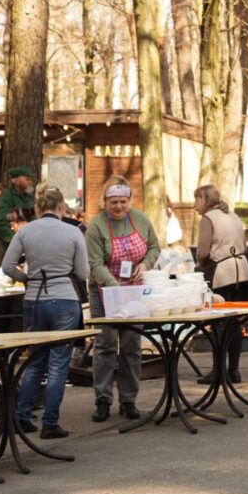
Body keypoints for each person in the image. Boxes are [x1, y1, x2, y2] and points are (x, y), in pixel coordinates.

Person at [1, 185, 88, 439]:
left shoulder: (25, 231)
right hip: (64, 299)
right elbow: (82, 273)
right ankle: (50, 423)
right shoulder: (72, 232)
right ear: (61, 207)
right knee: (59, 364)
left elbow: (7, 266)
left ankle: (22, 416)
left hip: (34, 299)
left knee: (35, 361)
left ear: (38, 208)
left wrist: (27, 278)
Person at [85, 175, 161, 421]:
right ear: (104, 202)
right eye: (113, 202)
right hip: (104, 290)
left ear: (129, 200)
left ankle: (128, 399)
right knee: (105, 345)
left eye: (122, 201)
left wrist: (146, 265)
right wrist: (113, 287)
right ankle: (103, 399)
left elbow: (154, 248)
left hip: (133, 290)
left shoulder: (140, 219)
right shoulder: (96, 226)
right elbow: (95, 263)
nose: (118, 206)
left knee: (131, 345)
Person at [193, 183, 248, 384]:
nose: (194, 205)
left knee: (218, 324)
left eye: (197, 199)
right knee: (234, 323)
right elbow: (244, 245)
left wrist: (198, 266)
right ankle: (233, 370)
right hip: (241, 272)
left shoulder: (209, 218)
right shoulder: (233, 216)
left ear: (205, 199)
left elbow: (202, 251)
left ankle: (218, 371)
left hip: (220, 273)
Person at [0, 166, 36, 256]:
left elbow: (33, 217)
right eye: (27, 179)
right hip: (14, 249)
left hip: (31, 246)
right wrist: (14, 240)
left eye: (31, 179)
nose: (31, 182)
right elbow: (1, 223)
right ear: (17, 181)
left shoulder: (29, 199)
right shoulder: (7, 199)